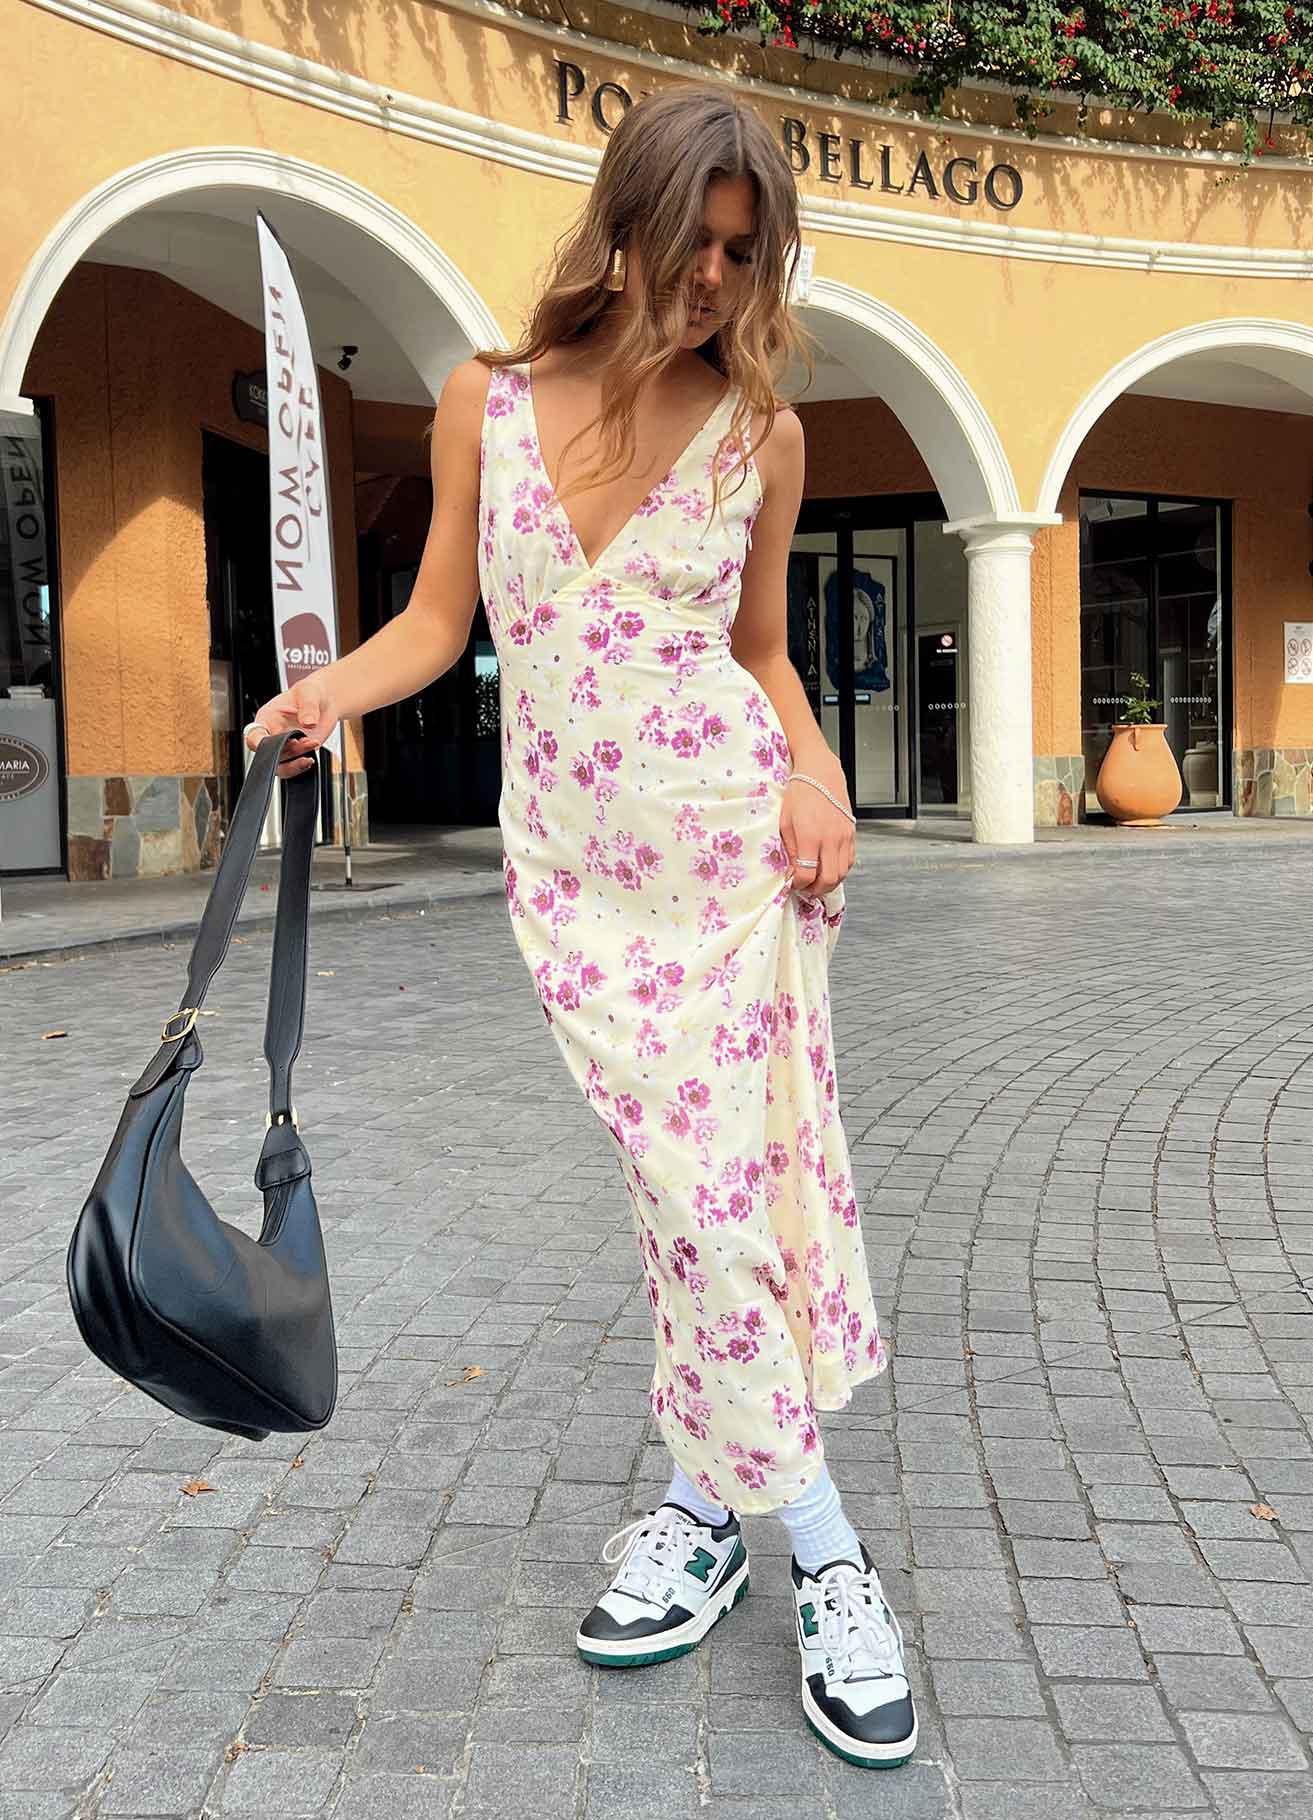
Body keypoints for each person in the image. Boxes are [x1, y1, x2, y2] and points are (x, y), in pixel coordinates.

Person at [244, 84, 916, 1770]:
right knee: (692, 1199)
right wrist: (326, 694)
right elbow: (437, 618)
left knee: (725, 1201)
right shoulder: (484, 402)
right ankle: (706, 1504)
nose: (712, 281)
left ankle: (811, 1549)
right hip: (576, 883)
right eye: (692, 243)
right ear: (624, 224)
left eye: (743, 255)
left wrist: (818, 776)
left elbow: (762, 655)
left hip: (735, 868)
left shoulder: (764, 435)